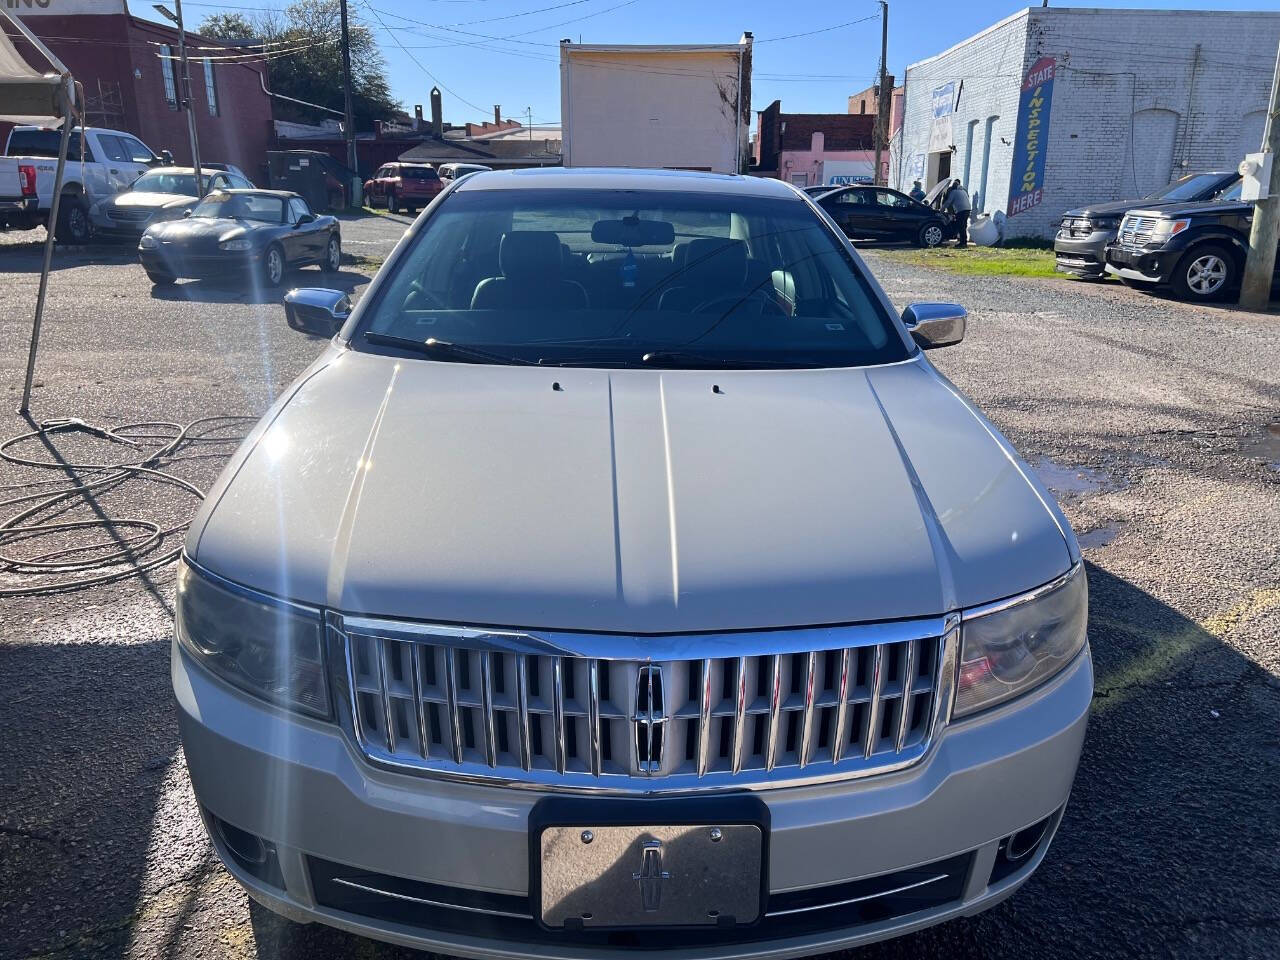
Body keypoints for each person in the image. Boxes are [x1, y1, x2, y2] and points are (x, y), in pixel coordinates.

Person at [943, 181, 973, 248]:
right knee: (964, 226)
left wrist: (941, 210)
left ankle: (963, 243)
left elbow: (948, 202)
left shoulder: (954, 192)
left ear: (953, 187)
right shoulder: (963, 191)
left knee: (961, 226)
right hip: (967, 210)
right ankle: (964, 242)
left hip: (961, 210)